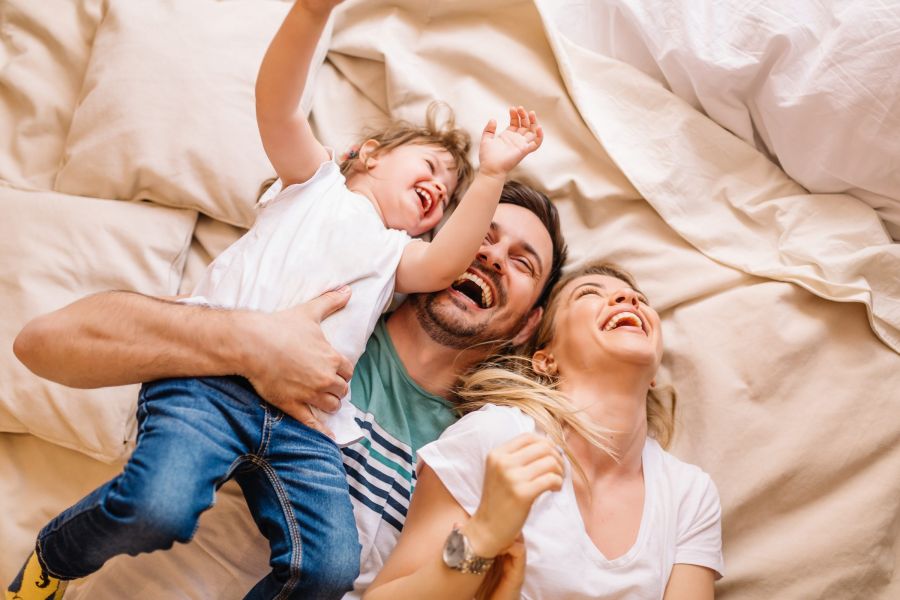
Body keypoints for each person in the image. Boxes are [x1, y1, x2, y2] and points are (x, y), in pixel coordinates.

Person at [5, 0, 546, 598]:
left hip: (306, 427)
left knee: (330, 567)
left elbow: (447, 259)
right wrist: (312, 15)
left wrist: (492, 175)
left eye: (447, 198)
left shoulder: (401, 264)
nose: (437, 191)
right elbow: (278, 105)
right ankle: (55, 559)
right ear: (365, 153)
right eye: (429, 170)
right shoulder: (315, 184)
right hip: (211, 387)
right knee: (159, 507)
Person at [365, 262, 724, 599]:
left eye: (640, 300)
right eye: (589, 294)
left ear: (654, 376)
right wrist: (482, 535)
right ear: (545, 358)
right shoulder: (496, 437)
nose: (628, 299)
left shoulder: (689, 496)